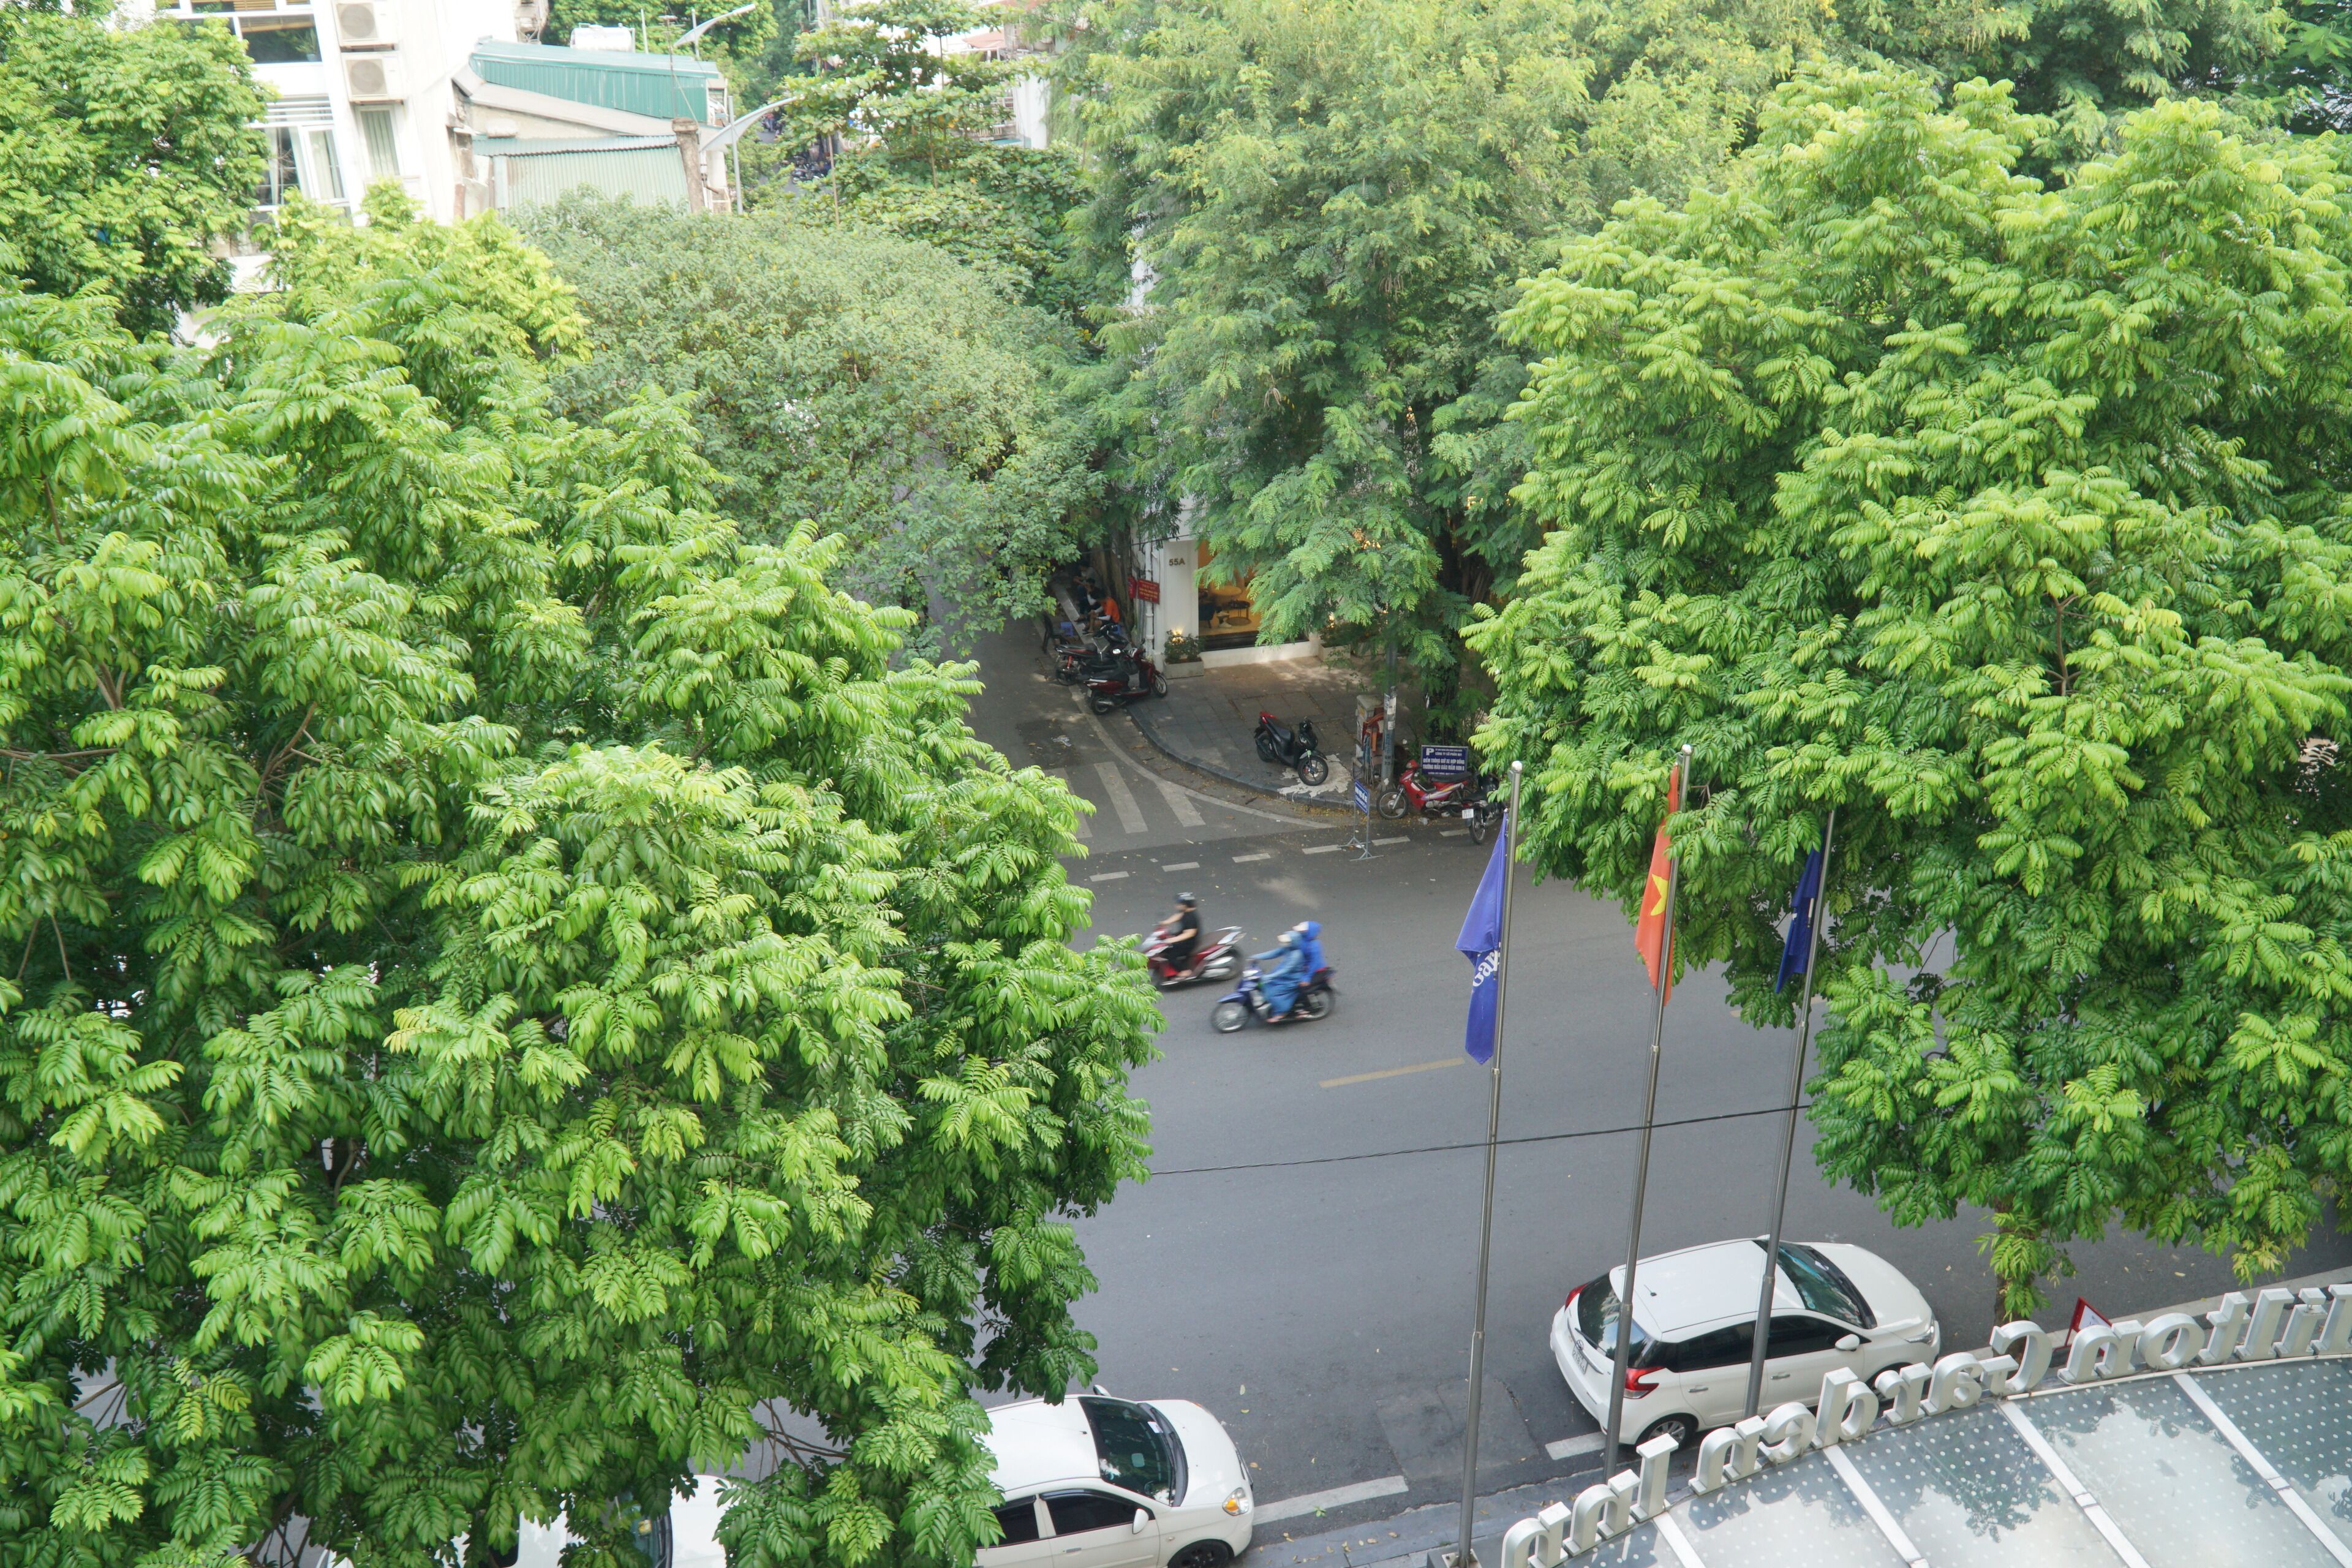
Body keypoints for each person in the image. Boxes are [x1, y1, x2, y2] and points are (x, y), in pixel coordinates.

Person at [1255, 919, 1322, 1016]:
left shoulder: (1312, 947)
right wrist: (1257, 957)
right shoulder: (1299, 941)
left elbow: (1314, 963)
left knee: (1292, 989)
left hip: (1310, 971)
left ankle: (1285, 1010)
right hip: (1298, 968)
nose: (1299, 932)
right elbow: (1277, 952)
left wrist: (1306, 978)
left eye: (1303, 931)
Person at [1155, 893, 1203, 976]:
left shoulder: (1191, 918)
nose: (1176, 905)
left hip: (1189, 943)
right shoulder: (1186, 912)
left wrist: (1172, 940)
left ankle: (1184, 972)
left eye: (1179, 904)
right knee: (1165, 946)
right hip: (1182, 937)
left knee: (1171, 956)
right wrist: (1165, 923)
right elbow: (1178, 916)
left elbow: (1189, 934)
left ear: (1185, 905)